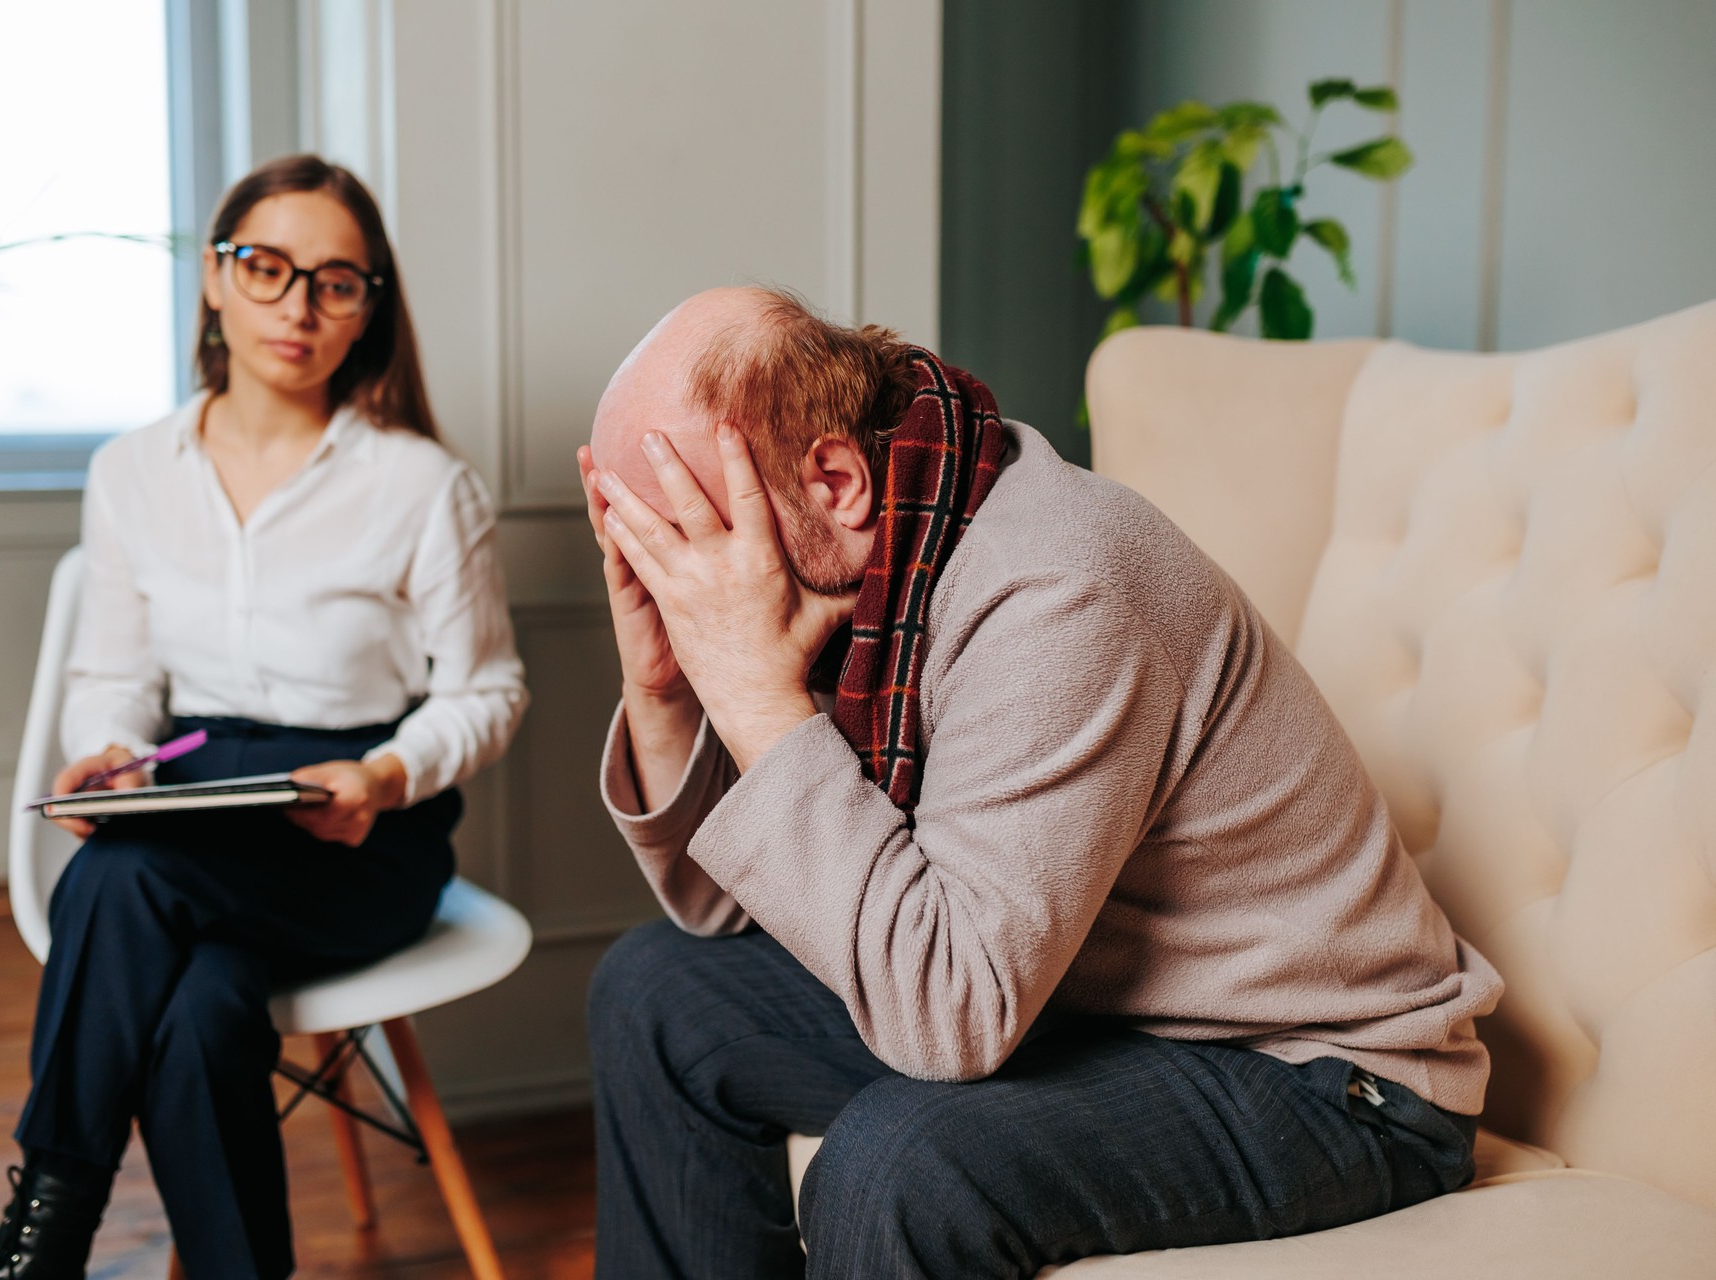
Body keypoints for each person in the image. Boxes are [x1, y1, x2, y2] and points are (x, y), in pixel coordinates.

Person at [577, 286, 1503, 1279]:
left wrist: (758, 696)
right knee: (656, 991)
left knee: (900, 1162)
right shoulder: (868, 566)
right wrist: (667, 686)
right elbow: (729, 904)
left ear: (835, 478)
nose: (680, 574)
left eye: (686, 528)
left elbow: (952, 1012)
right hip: (1077, 1002)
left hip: (1321, 1070)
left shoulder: (1056, 585)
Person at [0, 155, 527, 1280]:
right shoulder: (132, 471)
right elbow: (116, 673)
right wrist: (112, 755)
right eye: (266, 268)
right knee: (204, 1004)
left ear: (369, 307)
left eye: (336, 280)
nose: (297, 305)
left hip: (359, 828)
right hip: (200, 805)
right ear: (216, 281)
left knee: (125, 880)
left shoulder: (424, 485)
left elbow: (488, 689)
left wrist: (383, 773)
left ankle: (47, 1227)